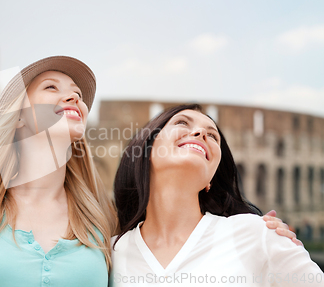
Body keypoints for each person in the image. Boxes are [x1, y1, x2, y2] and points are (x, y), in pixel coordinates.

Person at [0, 56, 117, 286]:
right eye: (51, 87)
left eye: (78, 95)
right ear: (19, 116)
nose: (74, 98)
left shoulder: (100, 214)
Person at [111, 104, 323, 286]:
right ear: (145, 149)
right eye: (182, 123)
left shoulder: (255, 234)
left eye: (212, 135)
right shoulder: (110, 253)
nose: (201, 134)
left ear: (211, 177)